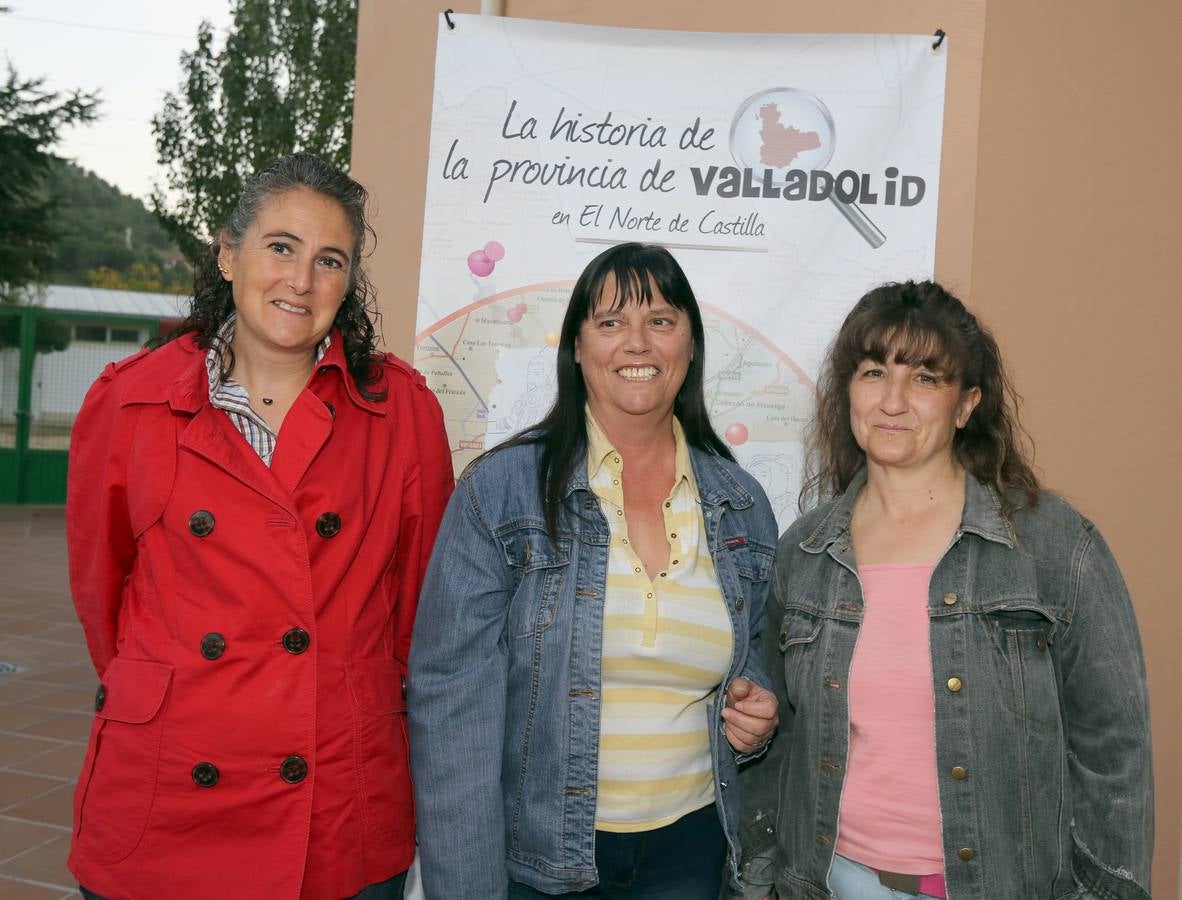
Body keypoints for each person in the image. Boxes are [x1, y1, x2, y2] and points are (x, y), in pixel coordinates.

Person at [65, 153, 454, 899]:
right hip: (169, 782)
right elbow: (102, 596)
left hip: (334, 792)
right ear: (228, 252)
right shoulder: (130, 402)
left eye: (329, 260)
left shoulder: (401, 412)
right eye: (281, 247)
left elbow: (420, 622)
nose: (301, 281)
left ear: (349, 282)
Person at [738, 281, 1153, 899]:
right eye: (874, 372)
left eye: (926, 379)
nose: (894, 401)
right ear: (849, 391)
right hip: (829, 883)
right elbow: (781, 742)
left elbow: (1114, 751)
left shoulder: (1052, 546)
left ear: (966, 405)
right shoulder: (805, 552)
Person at [408, 242, 780, 899]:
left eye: (661, 321)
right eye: (610, 323)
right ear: (577, 348)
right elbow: (451, 716)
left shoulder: (741, 502)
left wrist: (756, 705)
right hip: (540, 869)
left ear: (690, 344)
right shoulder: (501, 495)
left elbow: (753, 663)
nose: (637, 343)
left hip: (691, 860)